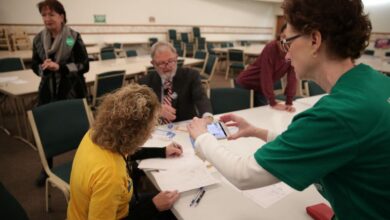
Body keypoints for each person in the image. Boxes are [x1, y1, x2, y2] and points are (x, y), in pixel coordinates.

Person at [188, 0, 390, 219]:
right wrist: (259, 132)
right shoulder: (376, 82)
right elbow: (322, 144)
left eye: (288, 43)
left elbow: (243, 175)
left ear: (315, 40)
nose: (286, 55)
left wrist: (202, 137)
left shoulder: (339, 113)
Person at [67, 84, 180, 220]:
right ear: (136, 133)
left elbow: (126, 151)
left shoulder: (96, 133)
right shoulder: (111, 175)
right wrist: (153, 206)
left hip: (96, 209)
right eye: (151, 127)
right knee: (173, 213)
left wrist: (162, 151)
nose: (150, 134)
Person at [31, 0, 90, 186]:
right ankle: (46, 168)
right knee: (45, 130)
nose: (47, 19)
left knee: (80, 129)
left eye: (51, 14)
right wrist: (44, 68)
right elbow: (34, 65)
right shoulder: (39, 39)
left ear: (61, 16)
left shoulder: (72, 37)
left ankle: (86, 163)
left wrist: (61, 67)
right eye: (44, 15)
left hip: (71, 90)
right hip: (48, 90)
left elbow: (84, 65)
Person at [139, 41, 213, 123]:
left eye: (171, 61)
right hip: (156, 129)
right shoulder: (145, 82)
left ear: (176, 57)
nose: (167, 67)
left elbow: (201, 98)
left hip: (184, 127)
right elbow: (138, 106)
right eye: (161, 63)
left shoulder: (191, 76)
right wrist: (155, 110)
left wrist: (207, 116)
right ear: (153, 63)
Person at [235, 24, 297, 112]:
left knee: (263, 113)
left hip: (261, 87)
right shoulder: (271, 47)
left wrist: (289, 102)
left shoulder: (293, 51)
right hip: (246, 83)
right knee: (243, 113)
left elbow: (292, 77)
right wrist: (273, 102)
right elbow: (266, 75)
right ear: (281, 36)